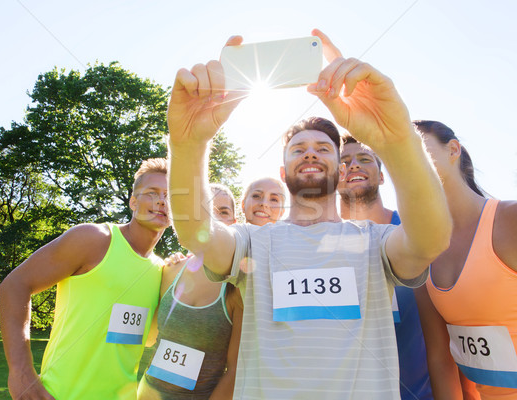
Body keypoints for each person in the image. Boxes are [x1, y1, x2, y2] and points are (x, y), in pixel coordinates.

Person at [167, 28, 451, 399]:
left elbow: (431, 239)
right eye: (298, 148)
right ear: (283, 172)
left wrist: (396, 139)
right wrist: (188, 144)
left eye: (324, 148)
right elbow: (195, 232)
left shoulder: (374, 242)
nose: (311, 153)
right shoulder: (252, 242)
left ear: (340, 167)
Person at [0, 158, 170, 400]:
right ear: (133, 201)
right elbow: (14, 285)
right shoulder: (94, 239)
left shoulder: (163, 271)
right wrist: (21, 373)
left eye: (171, 196)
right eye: (152, 193)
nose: (162, 201)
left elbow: (149, 339)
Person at [414, 120, 517, 400]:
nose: (406, 160)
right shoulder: (421, 251)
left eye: (415, 148)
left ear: (453, 150)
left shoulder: (510, 219)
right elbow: (440, 358)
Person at [337, 134, 433, 399]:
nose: (354, 165)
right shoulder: (321, 242)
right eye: (344, 161)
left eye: (364, 159)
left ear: (381, 175)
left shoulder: (414, 231)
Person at [138, 183, 243, 399]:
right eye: (206, 210)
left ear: (234, 222)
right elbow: (149, 339)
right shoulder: (170, 270)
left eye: (223, 212)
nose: (213, 218)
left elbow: (236, 371)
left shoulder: (237, 286)